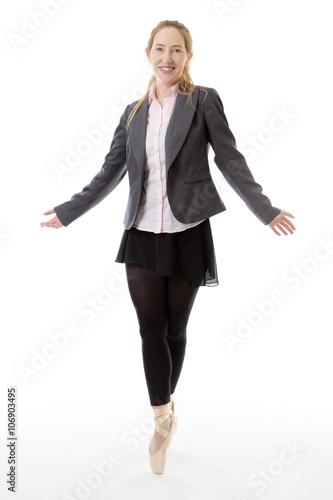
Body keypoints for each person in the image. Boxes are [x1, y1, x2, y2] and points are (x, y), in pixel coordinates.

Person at [40, 20, 296, 474]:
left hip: (187, 230)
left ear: (188, 57)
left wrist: (266, 209)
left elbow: (230, 160)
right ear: (148, 53)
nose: (167, 58)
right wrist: (69, 210)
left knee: (175, 330)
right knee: (149, 328)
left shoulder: (203, 102)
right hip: (140, 231)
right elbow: (109, 172)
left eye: (176, 50)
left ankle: (167, 408)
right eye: (160, 49)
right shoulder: (132, 113)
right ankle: (161, 419)